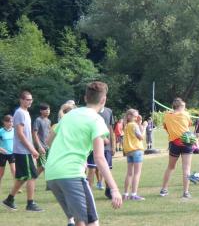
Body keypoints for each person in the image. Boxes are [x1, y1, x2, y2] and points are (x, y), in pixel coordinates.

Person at [45, 81, 122, 226]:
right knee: (92, 222)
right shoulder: (97, 120)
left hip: (52, 174)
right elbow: (99, 158)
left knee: (81, 220)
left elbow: (48, 142)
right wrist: (114, 189)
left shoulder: (69, 115)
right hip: (72, 174)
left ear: (86, 98)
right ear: (103, 100)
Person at [2, 91, 43, 212]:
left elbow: (26, 133)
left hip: (24, 150)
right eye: (27, 99)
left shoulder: (26, 112)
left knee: (22, 177)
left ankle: (9, 200)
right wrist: (32, 149)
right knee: (32, 175)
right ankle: (30, 204)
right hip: (22, 150)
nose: (29, 101)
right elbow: (19, 134)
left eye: (31, 99)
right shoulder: (20, 113)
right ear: (21, 100)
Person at [159, 98, 193, 199]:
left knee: (170, 167)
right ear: (181, 106)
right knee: (186, 168)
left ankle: (164, 189)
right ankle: (186, 192)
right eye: (184, 107)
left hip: (174, 142)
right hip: (187, 142)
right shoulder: (185, 114)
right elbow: (189, 124)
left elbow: (165, 127)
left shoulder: (167, 116)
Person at [123, 109, 145, 201]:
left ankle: (125, 194)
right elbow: (141, 137)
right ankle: (134, 194)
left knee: (129, 173)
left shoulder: (126, 125)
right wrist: (144, 126)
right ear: (129, 116)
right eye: (135, 116)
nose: (136, 118)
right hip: (137, 150)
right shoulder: (134, 125)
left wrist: (139, 123)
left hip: (129, 151)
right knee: (137, 173)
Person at [32, 103, 51, 176]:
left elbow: (49, 134)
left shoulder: (49, 121)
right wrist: (39, 146)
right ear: (41, 111)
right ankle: (32, 179)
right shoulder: (38, 120)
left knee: (48, 165)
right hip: (40, 146)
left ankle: (48, 184)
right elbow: (34, 134)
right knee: (42, 166)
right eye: (45, 109)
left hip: (47, 146)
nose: (47, 111)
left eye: (48, 109)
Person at [0, 115, 15, 192]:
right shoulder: (1, 131)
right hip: (2, 155)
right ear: (4, 122)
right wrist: (1, 149)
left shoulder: (14, 131)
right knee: (1, 173)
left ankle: (16, 187)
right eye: (8, 121)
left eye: (12, 121)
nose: (10, 123)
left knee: (14, 171)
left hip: (12, 154)